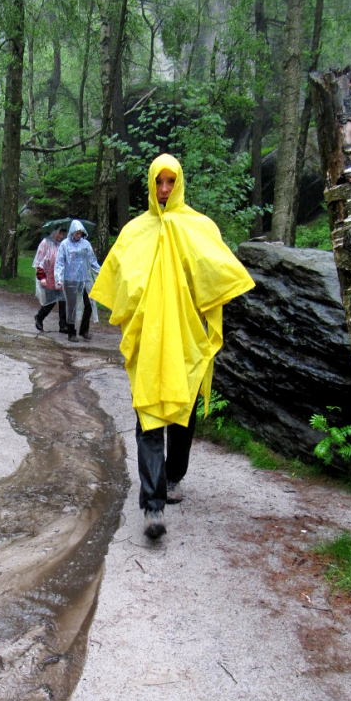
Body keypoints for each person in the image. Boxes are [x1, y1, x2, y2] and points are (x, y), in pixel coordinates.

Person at [90, 153, 255, 539]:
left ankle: (175, 474)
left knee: (182, 413)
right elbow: (120, 282)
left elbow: (213, 277)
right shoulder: (134, 232)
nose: (163, 190)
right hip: (149, 342)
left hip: (183, 340)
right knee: (148, 414)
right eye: (158, 182)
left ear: (178, 183)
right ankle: (153, 506)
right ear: (150, 184)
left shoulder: (198, 227)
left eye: (170, 182)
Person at [54, 219, 100, 343]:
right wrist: (59, 278)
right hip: (70, 278)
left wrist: (100, 274)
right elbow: (60, 262)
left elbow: (92, 261)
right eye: (77, 233)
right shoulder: (65, 244)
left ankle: (84, 329)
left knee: (89, 303)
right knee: (72, 306)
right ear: (72, 232)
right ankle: (71, 332)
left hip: (85, 278)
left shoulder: (86, 245)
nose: (79, 235)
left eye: (80, 233)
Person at [33, 227, 67, 334]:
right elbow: (39, 262)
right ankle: (39, 317)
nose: (61, 236)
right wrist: (42, 277)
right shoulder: (45, 243)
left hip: (60, 277)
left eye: (62, 234)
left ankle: (63, 325)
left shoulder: (63, 245)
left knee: (63, 301)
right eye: (59, 234)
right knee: (50, 302)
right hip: (49, 277)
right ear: (54, 232)